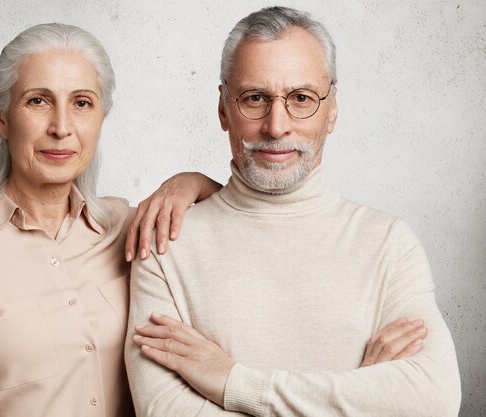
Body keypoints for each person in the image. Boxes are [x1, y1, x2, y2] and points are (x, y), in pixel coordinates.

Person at [126, 6, 461, 416]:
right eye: (255, 98)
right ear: (222, 109)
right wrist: (357, 399)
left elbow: (435, 398)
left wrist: (233, 383)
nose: (277, 125)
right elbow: (163, 409)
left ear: (332, 108)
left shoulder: (389, 243)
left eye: (301, 98)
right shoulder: (165, 243)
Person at [0, 23, 222, 417]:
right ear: (2, 117)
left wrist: (190, 183)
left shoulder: (129, 230)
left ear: (101, 118)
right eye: (38, 101)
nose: (62, 128)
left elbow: (243, 220)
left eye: (82, 103)